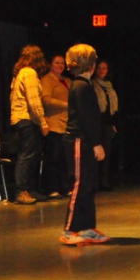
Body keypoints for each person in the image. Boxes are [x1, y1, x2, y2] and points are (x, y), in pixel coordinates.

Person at [60, 44, 110, 245]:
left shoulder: (85, 85)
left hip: (85, 141)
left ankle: (87, 228)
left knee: (88, 185)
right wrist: (97, 143)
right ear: (91, 64)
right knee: (80, 184)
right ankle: (69, 230)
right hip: (78, 140)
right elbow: (86, 118)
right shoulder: (80, 86)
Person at [9, 44, 49, 205]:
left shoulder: (20, 73)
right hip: (26, 119)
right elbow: (33, 101)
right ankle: (21, 191)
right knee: (27, 155)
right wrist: (43, 122)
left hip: (24, 119)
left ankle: (30, 189)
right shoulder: (29, 72)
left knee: (33, 154)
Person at [40, 54, 72, 199]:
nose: (60, 65)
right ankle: (51, 188)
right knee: (54, 158)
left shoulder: (68, 80)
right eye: (57, 63)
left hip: (67, 124)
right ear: (50, 64)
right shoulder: (46, 80)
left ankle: (65, 187)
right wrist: (66, 105)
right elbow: (46, 100)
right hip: (53, 124)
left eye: (62, 63)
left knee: (65, 159)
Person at [92, 60, 119, 191]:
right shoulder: (92, 84)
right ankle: (95, 182)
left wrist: (113, 123)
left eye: (104, 68)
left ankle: (104, 181)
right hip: (96, 123)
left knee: (106, 154)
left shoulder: (109, 86)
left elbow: (112, 108)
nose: (101, 71)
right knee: (95, 155)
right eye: (99, 68)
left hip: (107, 124)